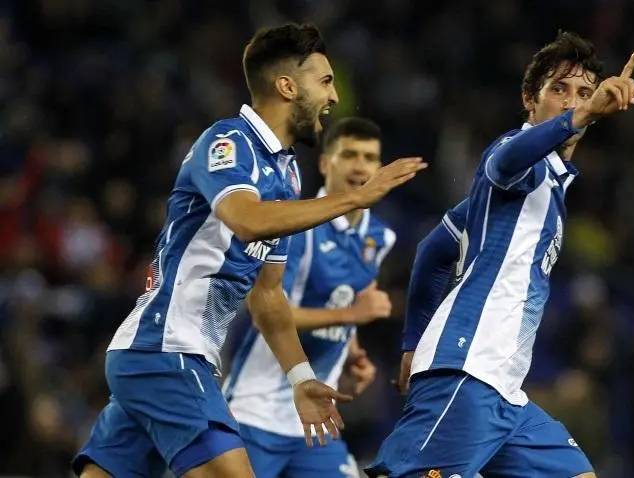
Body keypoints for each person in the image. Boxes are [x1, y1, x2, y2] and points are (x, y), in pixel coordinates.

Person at [72, 23, 427, 478]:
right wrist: (355, 198)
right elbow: (246, 219)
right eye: (324, 81)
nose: (334, 96)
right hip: (167, 351)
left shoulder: (288, 176)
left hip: (163, 358)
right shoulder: (228, 144)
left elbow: (268, 295)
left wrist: (301, 378)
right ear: (287, 87)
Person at [367, 31, 634, 478]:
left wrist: (413, 343)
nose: (573, 102)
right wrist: (583, 114)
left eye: (583, 93)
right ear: (530, 99)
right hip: (467, 370)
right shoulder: (519, 158)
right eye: (559, 89)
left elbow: (434, 249)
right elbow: (506, 161)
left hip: (505, 393)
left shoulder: (540, 186)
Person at [223, 117, 396, 477]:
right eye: (349, 155)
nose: (359, 166)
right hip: (256, 413)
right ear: (324, 164)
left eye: (369, 157)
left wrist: (352, 353)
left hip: (316, 421)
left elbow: (343, 300)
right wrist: (352, 315)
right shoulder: (298, 227)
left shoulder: (379, 238)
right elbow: (267, 312)